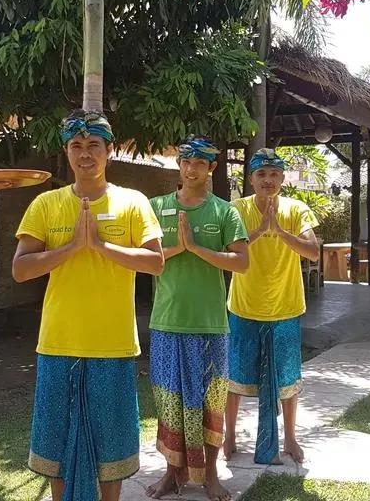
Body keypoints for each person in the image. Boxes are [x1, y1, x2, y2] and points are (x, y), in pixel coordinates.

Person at [12, 110, 164, 501]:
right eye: (76, 145)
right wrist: (71, 248)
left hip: (113, 345)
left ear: (109, 151)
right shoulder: (46, 204)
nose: (85, 154)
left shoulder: (133, 202)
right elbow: (21, 269)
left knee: (112, 445)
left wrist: (99, 245)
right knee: (56, 444)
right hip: (58, 343)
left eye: (94, 145)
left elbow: (155, 262)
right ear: (66, 151)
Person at [145, 136, 249, 501]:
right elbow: (144, 259)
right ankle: (171, 473)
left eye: (200, 163)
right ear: (179, 165)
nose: (192, 169)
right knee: (170, 403)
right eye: (186, 162)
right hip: (166, 322)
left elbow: (242, 262)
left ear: (211, 168)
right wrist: (180, 247)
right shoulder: (156, 207)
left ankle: (210, 475)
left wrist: (198, 249)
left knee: (211, 403)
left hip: (210, 325)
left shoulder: (224, 211)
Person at [223, 148, 320, 465]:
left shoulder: (296, 209)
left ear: (282, 178)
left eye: (274, 174)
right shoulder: (236, 209)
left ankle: (290, 438)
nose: (268, 180)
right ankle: (229, 436)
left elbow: (313, 251)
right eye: (261, 174)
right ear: (251, 178)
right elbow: (228, 249)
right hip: (243, 307)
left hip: (285, 308)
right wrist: (259, 231)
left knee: (288, 379)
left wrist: (278, 230)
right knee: (235, 377)